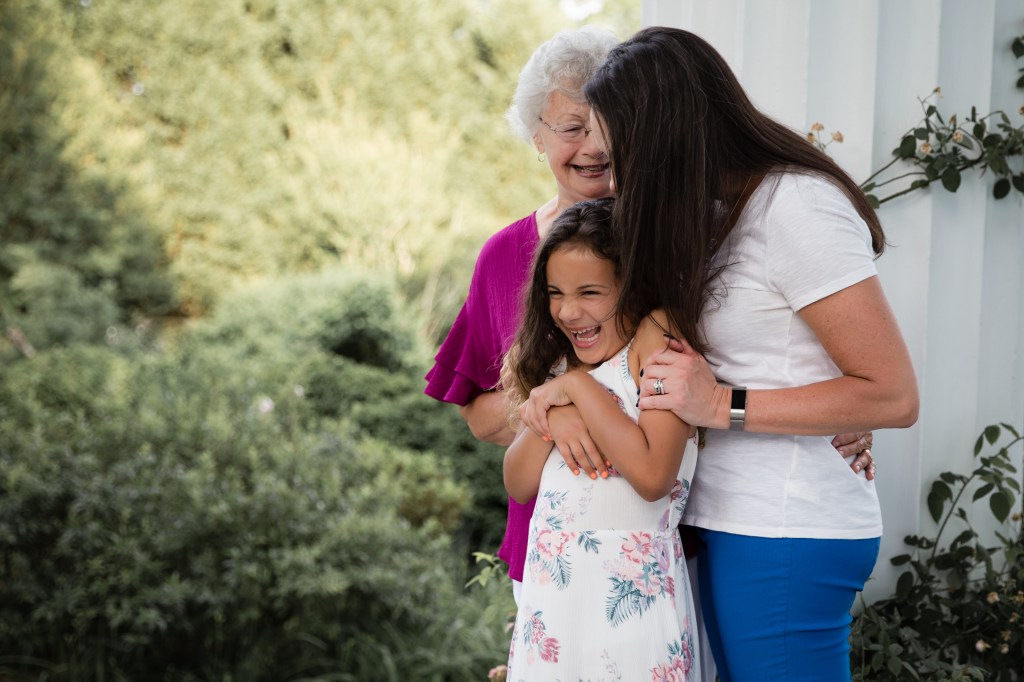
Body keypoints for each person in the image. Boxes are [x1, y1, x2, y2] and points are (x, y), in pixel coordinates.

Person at [423, 23, 877, 603]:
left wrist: (835, 402)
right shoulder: (504, 256)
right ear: (535, 136)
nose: (592, 148)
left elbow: (745, 355)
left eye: (605, 129)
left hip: (669, 538)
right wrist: (554, 410)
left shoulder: (679, 240)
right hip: (553, 543)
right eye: (570, 129)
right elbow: (481, 413)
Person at [573, 26, 919, 682]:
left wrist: (721, 405)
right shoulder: (706, 215)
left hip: (785, 529)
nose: (615, 180)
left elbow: (892, 393)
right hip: (718, 518)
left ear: (661, 138)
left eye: (619, 158)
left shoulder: (796, 207)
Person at [502, 198, 701, 680]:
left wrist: (576, 390)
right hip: (554, 601)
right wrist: (554, 415)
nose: (569, 312)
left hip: (630, 602)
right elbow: (518, 482)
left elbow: (654, 477)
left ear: (632, 286)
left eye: (590, 292)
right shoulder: (558, 364)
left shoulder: (655, 339)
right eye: (555, 293)